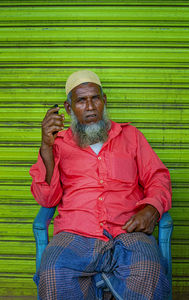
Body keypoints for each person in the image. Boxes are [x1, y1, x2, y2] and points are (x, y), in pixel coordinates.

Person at [30, 70, 172, 300]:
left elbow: (158, 177)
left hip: (128, 229)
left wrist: (152, 209)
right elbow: (47, 199)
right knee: (53, 272)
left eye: (95, 98)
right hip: (76, 232)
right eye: (81, 100)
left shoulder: (131, 136)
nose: (90, 106)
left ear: (104, 101)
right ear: (68, 108)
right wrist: (46, 148)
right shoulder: (58, 144)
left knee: (149, 270)